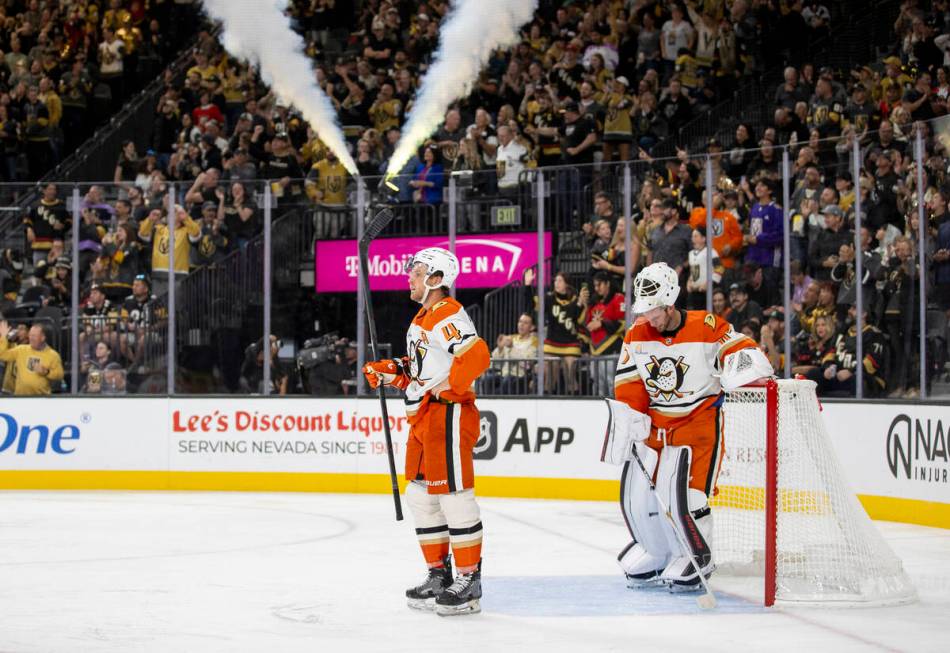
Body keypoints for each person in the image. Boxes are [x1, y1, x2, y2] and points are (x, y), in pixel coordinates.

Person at [610, 262, 771, 591]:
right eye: (645, 311)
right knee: (641, 497)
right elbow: (628, 382)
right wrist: (631, 418)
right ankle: (657, 551)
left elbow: (738, 348)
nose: (648, 318)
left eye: (654, 311)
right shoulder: (636, 335)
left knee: (690, 497)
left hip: (699, 424)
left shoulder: (706, 325)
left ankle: (698, 555)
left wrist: (744, 367)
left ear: (670, 303)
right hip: (657, 426)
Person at [362, 247, 490, 616]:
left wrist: (451, 389)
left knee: (453, 496)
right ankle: (439, 573)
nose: (409, 277)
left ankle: (469, 578)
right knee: (421, 496)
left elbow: (476, 355)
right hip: (423, 418)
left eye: (416, 271)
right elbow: (424, 371)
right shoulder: (425, 316)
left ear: (436, 279)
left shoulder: (447, 313)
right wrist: (392, 371)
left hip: (446, 416)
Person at [0, 321, 65, 395]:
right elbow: (2, 355)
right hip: (19, 398)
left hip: (41, 399)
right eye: (30, 335)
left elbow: (60, 375)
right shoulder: (21, 349)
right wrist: (3, 338)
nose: (30, 338)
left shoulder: (53, 355)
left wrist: (46, 372)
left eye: (34, 336)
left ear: (42, 338)